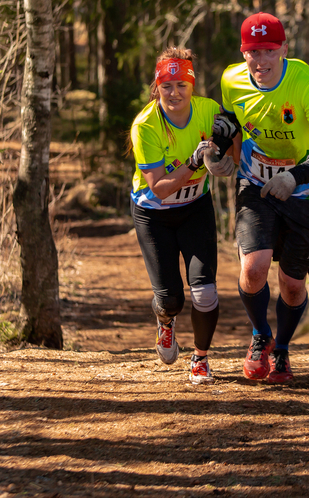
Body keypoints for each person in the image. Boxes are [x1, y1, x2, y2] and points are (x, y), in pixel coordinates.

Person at [214, 12, 309, 383]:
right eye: (253, 52)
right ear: (243, 53)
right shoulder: (231, 79)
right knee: (253, 268)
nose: (261, 61)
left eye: (269, 51)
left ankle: (284, 349)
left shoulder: (304, 81)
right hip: (254, 185)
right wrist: (215, 152)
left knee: (292, 284)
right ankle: (260, 335)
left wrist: (294, 176)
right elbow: (229, 123)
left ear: (284, 49)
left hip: (306, 193)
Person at [129, 47, 234, 384]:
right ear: (156, 88)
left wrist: (228, 143)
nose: (174, 93)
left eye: (182, 85)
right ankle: (165, 321)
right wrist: (193, 161)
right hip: (153, 214)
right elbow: (159, 187)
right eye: (167, 86)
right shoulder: (146, 125)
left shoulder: (208, 110)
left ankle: (200, 359)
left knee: (205, 292)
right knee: (170, 298)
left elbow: (230, 155)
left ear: (193, 85)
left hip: (195, 209)